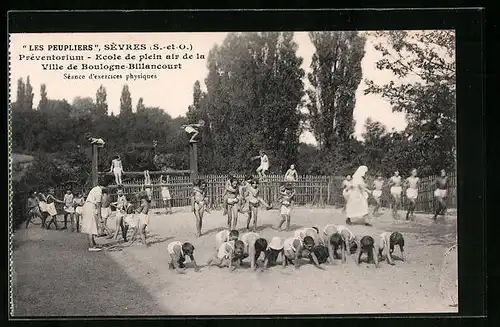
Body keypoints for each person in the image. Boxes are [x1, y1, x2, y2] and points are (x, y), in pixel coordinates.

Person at [81, 183, 107, 252]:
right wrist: (100, 217)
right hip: (90, 207)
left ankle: (93, 243)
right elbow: (98, 205)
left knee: (92, 226)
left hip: (89, 206)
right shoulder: (99, 192)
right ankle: (91, 246)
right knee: (90, 227)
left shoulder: (95, 189)